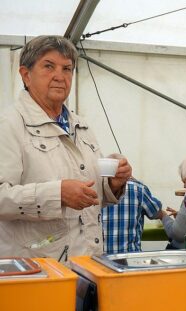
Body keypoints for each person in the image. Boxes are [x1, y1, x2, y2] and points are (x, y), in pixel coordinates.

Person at [0, 35, 132, 262]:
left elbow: (89, 189)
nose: (60, 76)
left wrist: (113, 183)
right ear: (25, 75)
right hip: (39, 268)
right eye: (49, 66)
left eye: (67, 68)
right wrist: (58, 193)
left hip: (88, 263)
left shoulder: (81, 125)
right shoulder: (9, 124)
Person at [102, 178, 162, 254]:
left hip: (97, 260)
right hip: (130, 258)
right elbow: (155, 212)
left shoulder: (92, 188)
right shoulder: (138, 188)